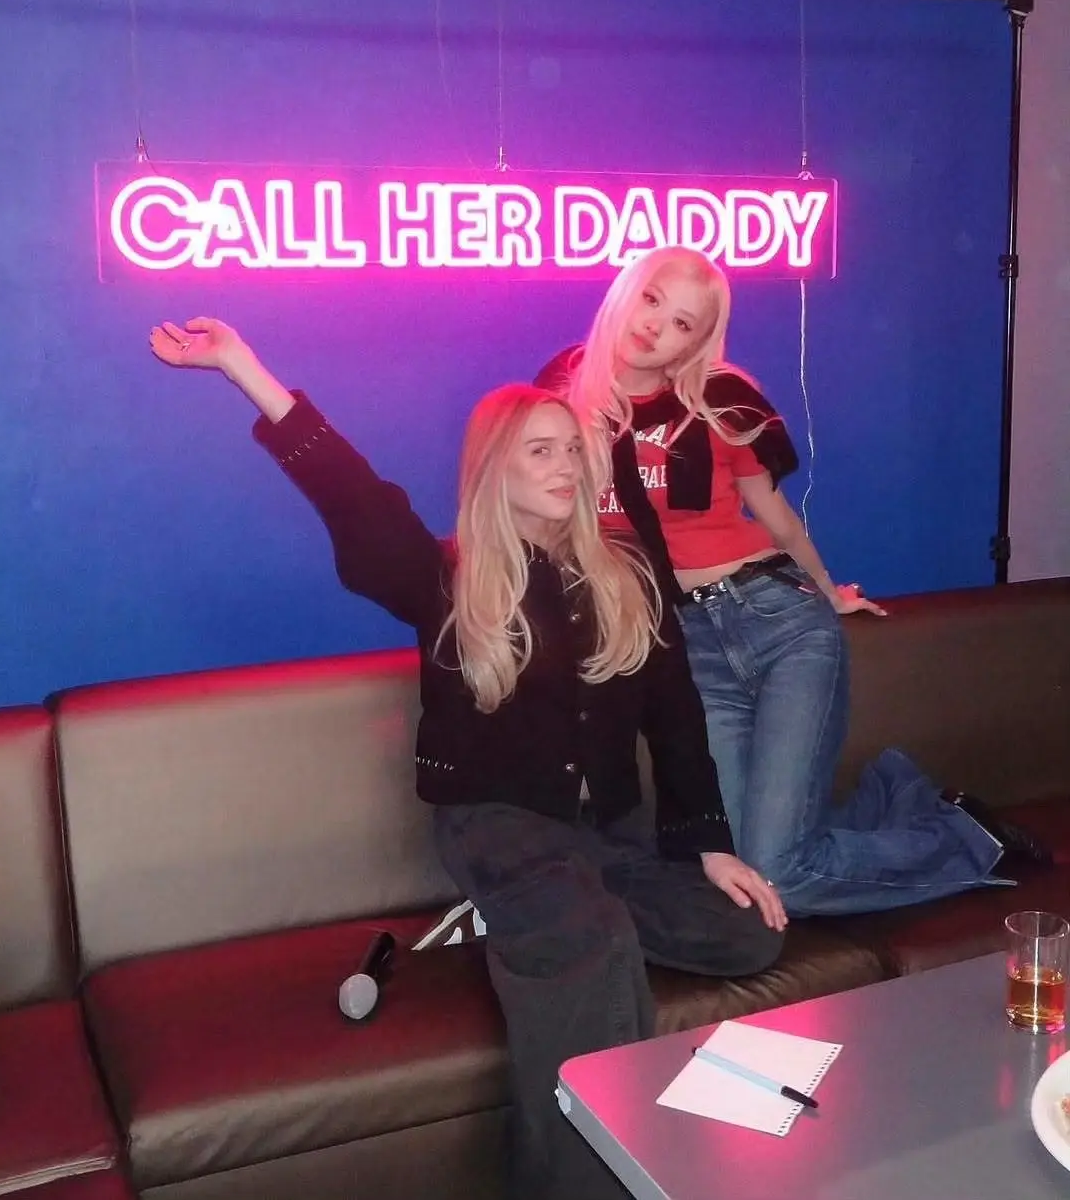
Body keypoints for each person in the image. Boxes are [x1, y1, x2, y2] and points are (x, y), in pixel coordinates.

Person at [149, 315, 785, 1200]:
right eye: (540, 452)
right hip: (498, 826)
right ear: (494, 469)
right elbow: (354, 495)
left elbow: (676, 718)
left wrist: (708, 843)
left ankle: (531, 920)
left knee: (747, 931)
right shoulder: (445, 577)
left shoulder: (629, 572)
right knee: (592, 942)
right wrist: (242, 368)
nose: (566, 466)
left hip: (609, 832)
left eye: (573, 449)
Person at [536, 245, 1050, 918]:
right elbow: (545, 527)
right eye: (653, 299)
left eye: (683, 323)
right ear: (627, 290)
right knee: (746, 863)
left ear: (698, 340)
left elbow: (775, 518)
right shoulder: (562, 396)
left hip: (777, 623)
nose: (656, 326)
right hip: (688, 650)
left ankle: (970, 839)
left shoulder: (719, 398)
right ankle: (893, 792)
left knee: (778, 873)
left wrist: (829, 592)